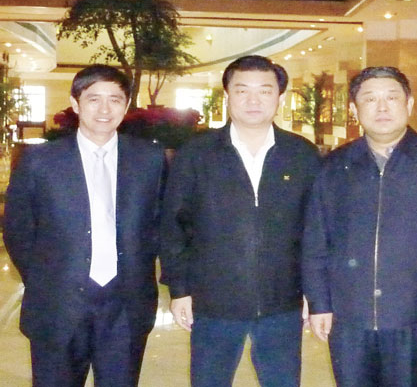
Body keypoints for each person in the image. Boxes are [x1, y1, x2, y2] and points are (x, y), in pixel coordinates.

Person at [303, 66, 417, 387]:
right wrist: (319, 302)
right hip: (349, 316)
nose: (382, 107)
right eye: (370, 99)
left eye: (392, 98)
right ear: (354, 109)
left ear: (409, 104)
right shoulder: (334, 167)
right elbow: (316, 239)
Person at [159, 55, 321, 387]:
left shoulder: (302, 154)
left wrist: (314, 292)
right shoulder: (196, 154)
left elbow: (316, 229)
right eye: (242, 90)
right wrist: (180, 289)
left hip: (283, 301)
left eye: (265, 91)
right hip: (212, 301)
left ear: (279, 97)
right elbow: (173, 225)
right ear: (227, 95)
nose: (253, 100)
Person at [3, 65, 165, 387]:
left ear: (126, 105)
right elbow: (18, 229)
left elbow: (159, 224)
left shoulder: (150, 159)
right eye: (93, 99)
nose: (104, 109)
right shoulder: (40, 161)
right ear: (75, 104)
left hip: (125, 306)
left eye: (115, 100)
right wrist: (47, 278)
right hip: (57, 305)